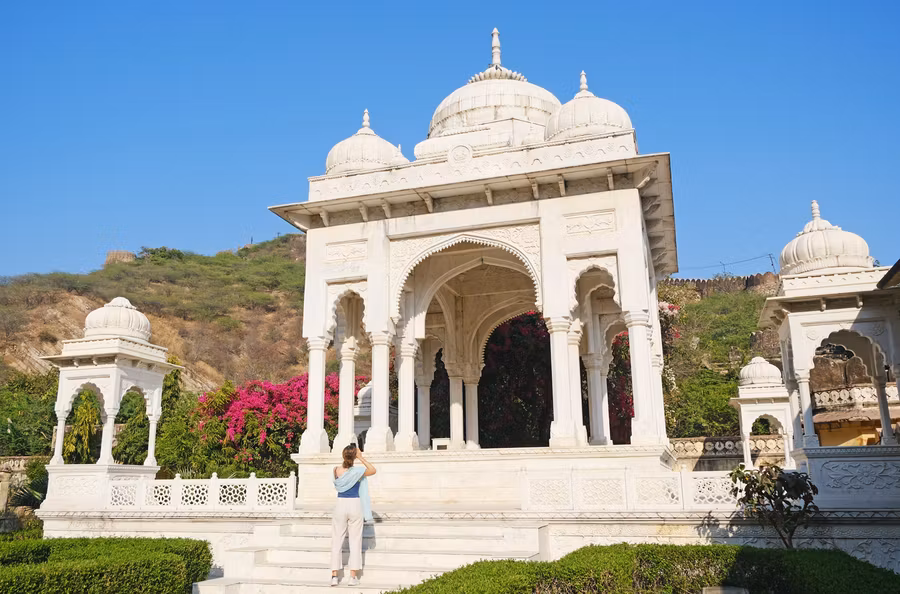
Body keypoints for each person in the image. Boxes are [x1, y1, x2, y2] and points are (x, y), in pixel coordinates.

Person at [330, 444, 375, 587]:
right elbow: (373, 470)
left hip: (340, 504)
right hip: (354, 504)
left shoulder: (336, 470)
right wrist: (361, 458)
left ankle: (334, 576)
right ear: (354, 455)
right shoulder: (358, 471)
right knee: (355, 541)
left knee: (337, 540)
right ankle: (352, 577)